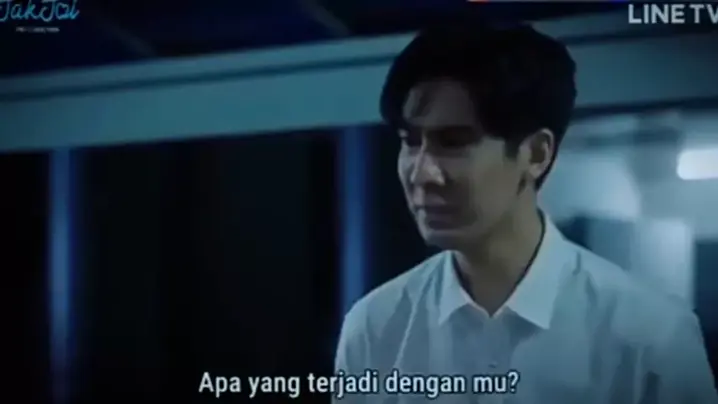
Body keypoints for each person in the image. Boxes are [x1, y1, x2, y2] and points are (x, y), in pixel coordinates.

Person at [334, 22, 717, 403]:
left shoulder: (651, 338)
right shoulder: (376, 326)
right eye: (410, 142)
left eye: (452, 143)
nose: (422, 173)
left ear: (535, 154)